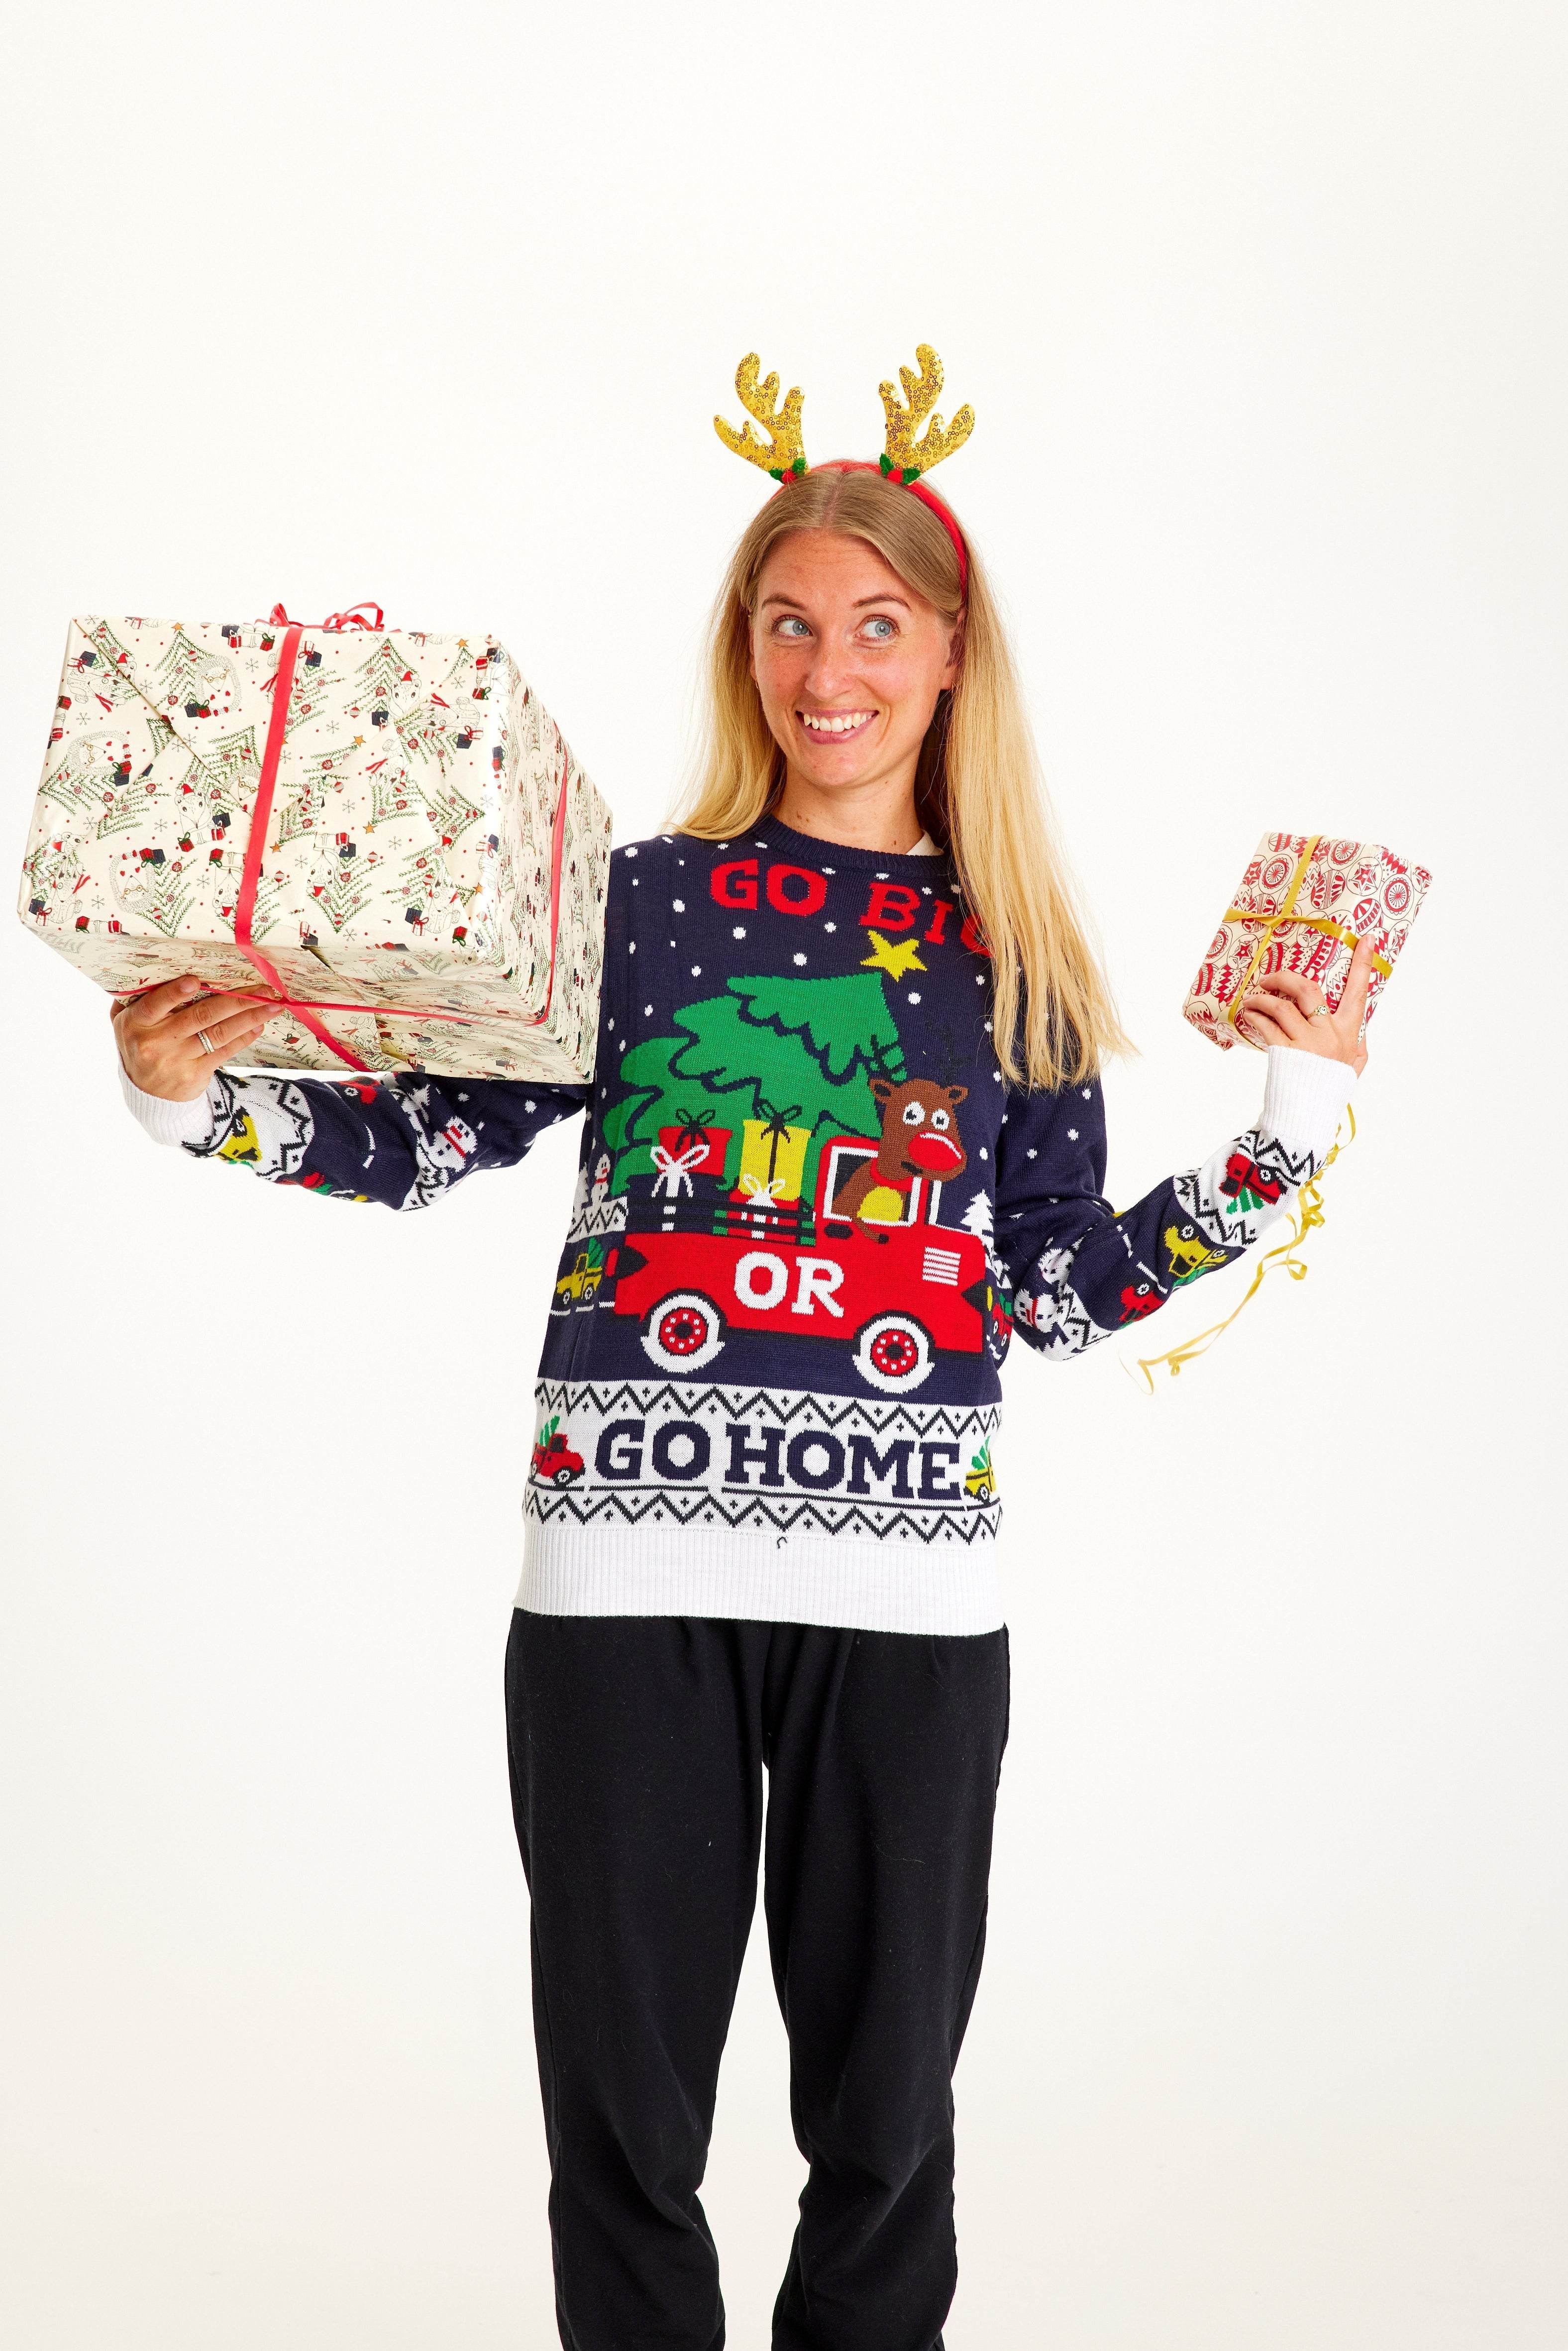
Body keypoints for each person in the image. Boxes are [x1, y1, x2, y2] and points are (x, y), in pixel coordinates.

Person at [112, 348, 1372, 2351]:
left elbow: (1051, 1291)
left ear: (949, 654)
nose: (825, 666)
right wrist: (199, 1098)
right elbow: (438, 1130)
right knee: (620, 2119)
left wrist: (1287, 1127)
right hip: (619, 1582)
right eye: (784, 620)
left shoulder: (1007, 956)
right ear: (742, 647)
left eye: (873, 622)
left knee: (882, 2125)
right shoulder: (634, 906)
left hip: (910, 1593)